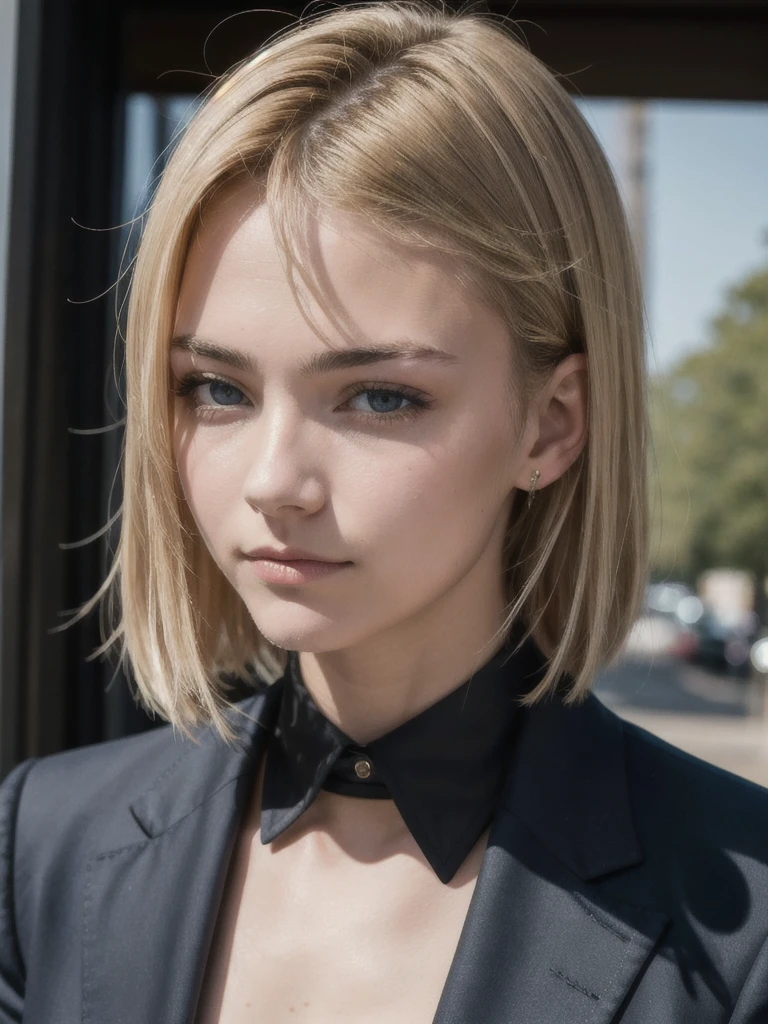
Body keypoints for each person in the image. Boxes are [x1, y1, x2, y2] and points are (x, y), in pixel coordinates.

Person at [1, 2, 768, 1021]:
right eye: (216, 389)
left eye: (379, 396)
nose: (275, 479)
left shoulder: (746, 928)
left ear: (551, 424)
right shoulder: (43, 843)